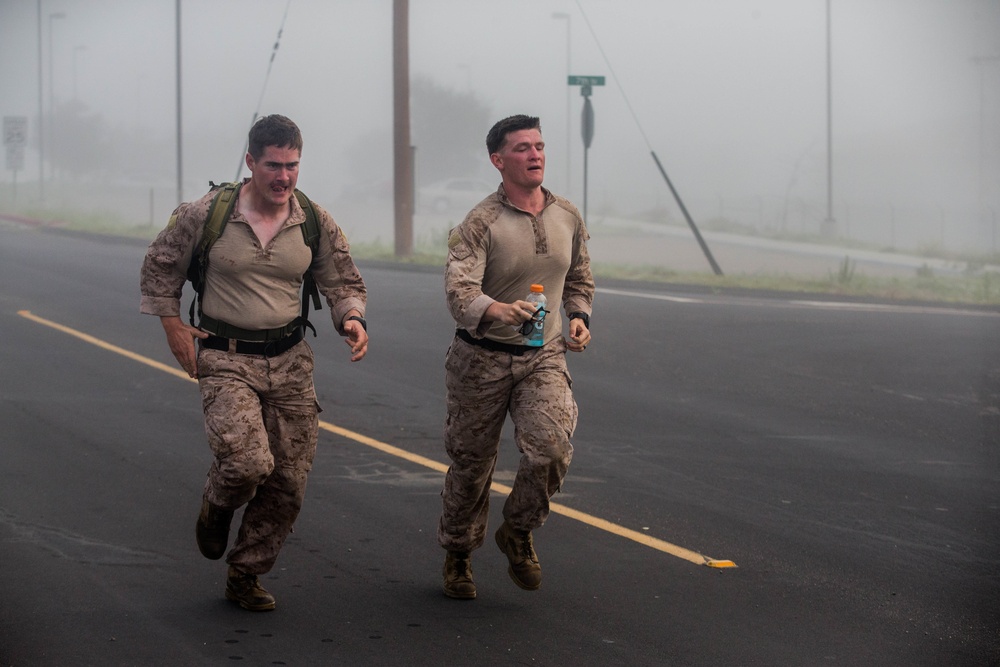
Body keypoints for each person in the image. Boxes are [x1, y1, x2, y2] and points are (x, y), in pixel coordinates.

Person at [140, 114, 368, 611]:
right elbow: (161, 265)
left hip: (290, 360)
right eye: (272, 166)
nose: (283, 177)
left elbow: (342, 279)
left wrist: (351, 317)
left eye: (292, 166)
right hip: (226, 356)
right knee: (246, 463)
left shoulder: (312, 218)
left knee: (287, 481)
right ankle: (218, 504)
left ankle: (245, 574)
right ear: (250, 162)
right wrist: (172, 324)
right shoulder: (209, 213)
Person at [437, 114, 595, 599]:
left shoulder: (567, 214)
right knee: (472, 464)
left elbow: (579, 276)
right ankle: (459, 554)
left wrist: (579, 315)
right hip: (481, 359)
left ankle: (519, 529)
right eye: (523, 147)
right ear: (498, 160)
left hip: (542, 356)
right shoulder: (480, 222)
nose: (535, 154)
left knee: (551, 449)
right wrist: (498, 309)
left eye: (540, 145)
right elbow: (458, 291)